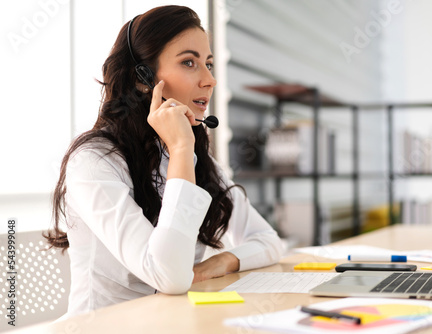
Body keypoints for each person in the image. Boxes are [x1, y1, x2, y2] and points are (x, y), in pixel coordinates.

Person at [44, 5, 283, 318]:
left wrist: (224, 261)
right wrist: (182, 148)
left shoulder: (188, 155)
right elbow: (167, 276)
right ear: (143, 79)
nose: (209, 79)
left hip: (172, 320)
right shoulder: (94, 161)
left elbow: (268, 241)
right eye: (189, 62)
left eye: (208, 63)